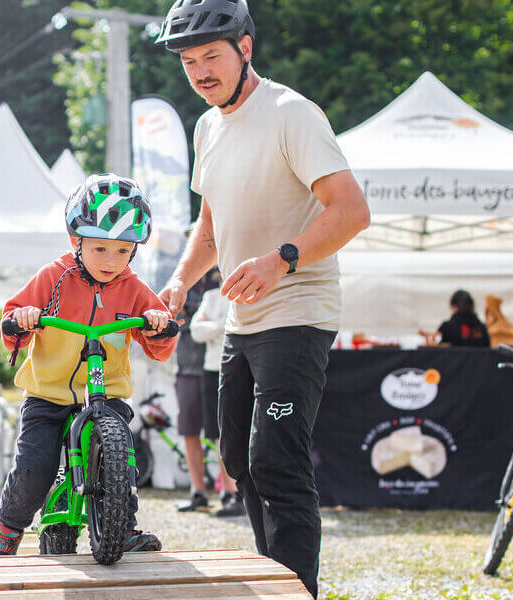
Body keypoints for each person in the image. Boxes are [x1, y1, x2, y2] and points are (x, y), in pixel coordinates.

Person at [155, 1, 370, 596]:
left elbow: (352, 211)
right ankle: (274, 579)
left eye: (212, 57)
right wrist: (179, 281)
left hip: (299, 311)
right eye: (189, 61)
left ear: (245, 48)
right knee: (239, 463)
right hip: (240, 320)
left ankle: (298, 590)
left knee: (277, 461)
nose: (200, 72)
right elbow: (210, 227)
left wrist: (282, 259)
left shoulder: (290, 113)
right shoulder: (206, 126)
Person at [0, 173, 178, 556]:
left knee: (120, 455)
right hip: (49, 395)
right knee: (33, 471)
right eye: (100, 249)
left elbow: (162, 343)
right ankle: (7, 530)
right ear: (76, 242)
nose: (112, 262)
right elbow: (12, 318)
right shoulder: (54, 276)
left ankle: (122, 526)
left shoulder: (134, 288)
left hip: (104, 394)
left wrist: (159, 325)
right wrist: (23, 317)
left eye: (123, 251)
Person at [189, 279, 245, 518]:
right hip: (213, 369)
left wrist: (212, 326)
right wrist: (223, 326)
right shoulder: (212, 295)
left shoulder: (247, 290)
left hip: (241, 366)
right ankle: (228, 492)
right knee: (219, 432)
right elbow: (195, 331)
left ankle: (237, 492)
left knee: (236, 431)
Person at [173, 268, 221, 513]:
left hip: (219, 364)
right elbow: (175, 318)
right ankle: (198, 490)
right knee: (189, 430)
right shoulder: (182, 279)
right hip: (188, 365)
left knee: (223, 431)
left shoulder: (224, 273)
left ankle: (231, 492)